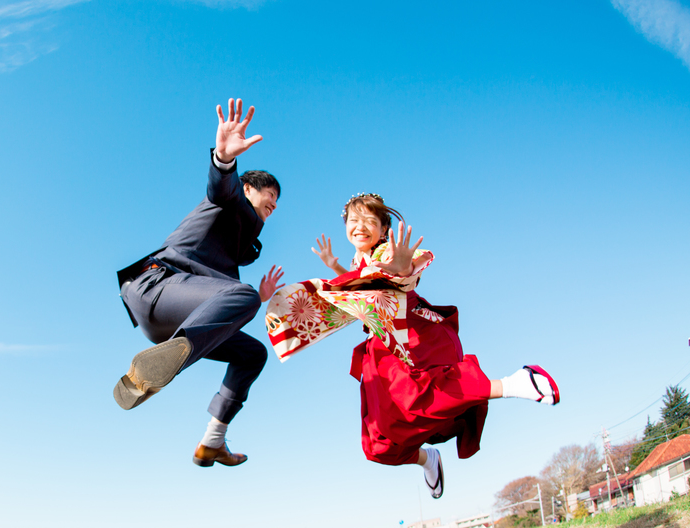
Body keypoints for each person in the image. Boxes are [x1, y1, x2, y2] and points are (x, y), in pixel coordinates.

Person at [265, 193, 559, 498]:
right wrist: (336, 266)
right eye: (353, 221)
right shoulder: (358, 260)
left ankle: (516, 383)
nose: (359, 226)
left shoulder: (390, 251)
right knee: (377, 443)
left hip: (415, 336)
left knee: (413, 399)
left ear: (383, 228)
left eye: (369, 220)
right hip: (381, 344)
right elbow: (361, 284)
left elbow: (402, 276)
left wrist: (402, 269)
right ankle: (427, 459)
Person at [115, 98, 285, 467]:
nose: (271, 207)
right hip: (156, 287)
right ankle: (163, 366)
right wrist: (224, 161)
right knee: (241, 297)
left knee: (253, 352)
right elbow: (221, 188)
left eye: (276, 205)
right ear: (247, 190)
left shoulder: (232, 256)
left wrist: (258, 296)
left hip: (169, 320)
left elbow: (223, 312)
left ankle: (212, 441)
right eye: (267, 198)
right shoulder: (229, 204)